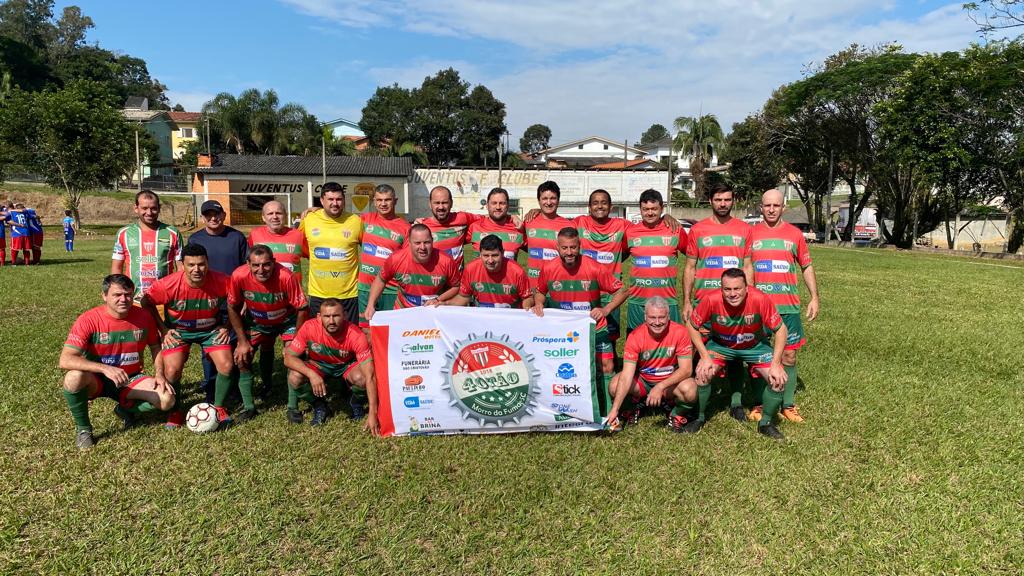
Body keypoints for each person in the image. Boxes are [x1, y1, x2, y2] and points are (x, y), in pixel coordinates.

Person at [59, 274, 175, 449]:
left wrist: (159, 374)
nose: (124, 299)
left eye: (128, 294)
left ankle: (125, 409)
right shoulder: (89, 319)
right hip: (96, 380)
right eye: (117, 295)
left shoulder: (144, 316)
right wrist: (105, 369)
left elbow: (155, 347)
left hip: (130, 379)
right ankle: (84, 430)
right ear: (104, 296)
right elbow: (66, 359)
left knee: (167, 400)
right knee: (73, 378)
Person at [686, 268, 789, 440]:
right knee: (702, 374)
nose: (732, 294)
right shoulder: (711, 299)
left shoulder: (760, 298)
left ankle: (765, 423)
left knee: (778, 380)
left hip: (755, 347)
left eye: (737, 289)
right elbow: (691, 325)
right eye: (727, 289)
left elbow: (781, 330)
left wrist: (777, 363)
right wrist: (704, 356)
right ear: (721, 289)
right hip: (721, 346)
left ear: (746, 288)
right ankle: (700, 417)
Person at [140, 244, 234, 428]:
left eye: (201, 264)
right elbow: (146, 302)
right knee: (172, 370)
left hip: (211, 330)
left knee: (227, 365)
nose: (196, 269)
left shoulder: (223, 281)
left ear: (208, 263)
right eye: (191, 265)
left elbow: (239, 301)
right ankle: (175, 411)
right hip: (179, 332)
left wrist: (226, 326)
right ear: (182, 264)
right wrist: (164, 329)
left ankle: (219, 408)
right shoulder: (168, 285)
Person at [682, 182, 754, 422]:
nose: (723, 204)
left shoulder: (744, 229)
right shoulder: (698, 230)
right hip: (705, 302)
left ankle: (735, 403)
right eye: (718, 199)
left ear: (733, 200)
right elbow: (690, 267)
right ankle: (696, 400)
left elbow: (747, 266)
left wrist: (749, 297)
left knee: (734, 352)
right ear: (710, 201)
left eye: (727, 200)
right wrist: (687, 301)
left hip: (735, 303)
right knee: (696, 351)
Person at [750, 189, 820, 423]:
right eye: (767, 205)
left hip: (788, 307)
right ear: (761, 207)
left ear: (783, 208)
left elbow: (806, 266)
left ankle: (787, 404)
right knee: (761, 357)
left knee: (789, 357)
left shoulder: (794, 235)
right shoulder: (751, 233)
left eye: (776, 206)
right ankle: (760, 403)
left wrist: (814, 297)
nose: (771, 209)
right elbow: (744, 267)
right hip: (760, 308)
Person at [531, 227, 628, 385]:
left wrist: (606, 309)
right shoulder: (548, 268)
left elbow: (623, 290)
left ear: (580, 245)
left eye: (573, 247)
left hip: (595, 327)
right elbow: (540, 291)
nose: (569, 252)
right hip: (562, 330)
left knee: (607, 367)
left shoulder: (594, 267)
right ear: (557, 248)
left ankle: (607, 407)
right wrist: (539, 303)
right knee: (567, 368)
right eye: (564, 248)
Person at [227, 245, 309, 420]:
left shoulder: (286, 276)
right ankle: (249, 407)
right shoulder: (239, 275)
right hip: (256, 321)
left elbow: (302, 307)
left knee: (294, 357)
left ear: (274, 262)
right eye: (256, 265)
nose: (261, 270)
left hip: (286, 321)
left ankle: (292, 407)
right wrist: (242, 341)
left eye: (266, 264)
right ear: (248, 263)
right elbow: (232, 306)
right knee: (242, 358)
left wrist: (297, 339)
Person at [283, 298, 379, 434]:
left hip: (346, 365)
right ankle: (320, 406)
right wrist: (312, 374)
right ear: (319, 317)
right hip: (319, 365)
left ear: (345, 315)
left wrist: (372, 414)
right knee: (294, 377)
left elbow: (371, 376)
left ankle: (355, 403)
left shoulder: (356, 335)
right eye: (327, 316)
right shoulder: (309, 327)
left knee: (362, 378)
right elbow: (288, 358)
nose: (331, 321)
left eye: (336, 316)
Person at [188, 199, 249, 403]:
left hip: (234, 300)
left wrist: (246, 299)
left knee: (233, 343)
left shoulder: (237, 237)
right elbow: (188, 270)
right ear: (203, 217)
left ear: (224, 215)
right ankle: (211, 386)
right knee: (210, 346)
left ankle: (234, 386)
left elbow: (246, 270)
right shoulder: (195, 239)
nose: (213, 218)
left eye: (217, 214)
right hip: (206, 302)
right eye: (208, 215)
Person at [605, 297, 695, 432]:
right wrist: (614, 409)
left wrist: (660, 386)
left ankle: (676, 414)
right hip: (644, 382)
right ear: (645, 317)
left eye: (661, 317)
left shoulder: (680, 332)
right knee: (614, 385)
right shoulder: (635, 336)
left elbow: (686, 370)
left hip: (669, 384)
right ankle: (633, 408)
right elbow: (626, 375)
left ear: (668, 316)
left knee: (690, 389)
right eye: (652, 317)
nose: (657, 322)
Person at [364, 224, 461, 320]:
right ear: (409, 243)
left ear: (432, 241)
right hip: (404, 312)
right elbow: (381, 279)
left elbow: (456, 286)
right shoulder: (396, 259)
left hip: (433, 313)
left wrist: (438, 300)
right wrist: (370, 305)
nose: (422, 247)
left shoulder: (446, 261)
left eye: (426, 242)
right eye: (417, 243)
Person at [624, 189, 688, 332]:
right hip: (637, 302)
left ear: (662, 209)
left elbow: (692, 257)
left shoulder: (675, 230)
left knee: (671, 348)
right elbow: (619, 258)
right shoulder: (630, 232)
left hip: (667, 301)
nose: (650, 213)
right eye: (645, 209)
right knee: (637, 347)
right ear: (640, 209)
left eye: (654, 209)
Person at [300, 181, 363, 322]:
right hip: (318, 293)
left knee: (349, 338)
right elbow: (301, 248)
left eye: (339, 199)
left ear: (344, 200)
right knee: (320, 339)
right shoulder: (309, 219)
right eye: (330, 199)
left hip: (349, 294)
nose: (335, 203)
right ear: (322, 200)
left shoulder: (356, 221)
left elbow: (367, 247)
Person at [111, 190, 183, 301]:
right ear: (136, 208)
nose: (149, 212)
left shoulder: (172, 233)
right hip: (133, 299)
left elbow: (181, 267)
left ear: (159, 208)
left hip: (165, 298)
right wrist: (118, 293)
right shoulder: (124, 233)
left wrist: (179, 292)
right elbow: (117, 267)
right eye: (144, 208)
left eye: (153, 208)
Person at [357, 184, 411, 328]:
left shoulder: (405, 228)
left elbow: (407, 262)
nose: (383, 204)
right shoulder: (364, 220)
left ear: (395, 201)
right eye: (379, 200)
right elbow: (340, 221)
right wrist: (316, 210)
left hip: (391, 289)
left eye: (387, 200)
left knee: (389, 332)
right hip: (365, 288)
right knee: (366, 331)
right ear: (374, 201)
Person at [449, 234, 531, 308]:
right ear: (480, 254)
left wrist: (526, 309)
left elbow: (528, 298)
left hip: (508, 319)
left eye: (495, 255)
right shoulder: (470, 269)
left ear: (502, 253)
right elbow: (464, 297)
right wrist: (444, 304)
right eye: (486, 255)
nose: (490, 260)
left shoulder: (517, 271)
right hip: (482, 319)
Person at [421, 185, 480, 270]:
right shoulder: (422, 227)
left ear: (451, 203)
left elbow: (487, 220)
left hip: (457, 282)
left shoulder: (462, 218)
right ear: (430, 204)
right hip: (434, 280)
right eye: (437, 203)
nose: (441, 207)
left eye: (444, 203)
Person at [524, 181, 573, 280]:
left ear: (558, 200)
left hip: (558, 284)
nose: (549, 202)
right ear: (539, 201)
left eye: (553, 198)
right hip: (533, 284)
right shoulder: (528, 221)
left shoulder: (569, 225)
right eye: (545, 198)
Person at [248, 200, 306, 281]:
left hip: (292, 290)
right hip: (264, 290)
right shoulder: (254, 234)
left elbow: (314, 257)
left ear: (285, 215)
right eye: (270, 213)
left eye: (278, 213)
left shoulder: (299, 235)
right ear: (263, 217)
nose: (275, 217)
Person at [468, 188, 525, 260]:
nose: (498, 207)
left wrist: (538, 210)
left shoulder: (518, 228)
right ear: (487, 205)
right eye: (494, 203)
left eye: (502, 203)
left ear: (508, 206)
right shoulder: (474, 227)